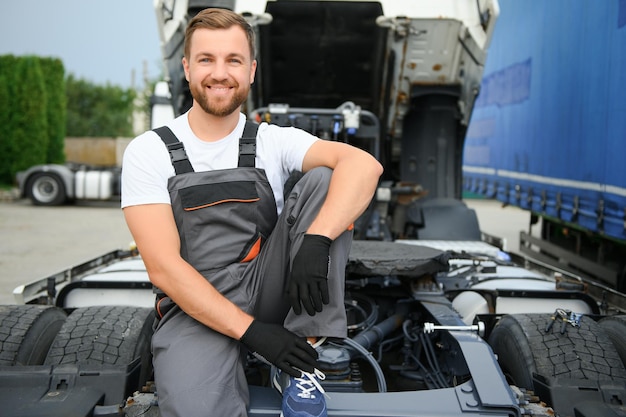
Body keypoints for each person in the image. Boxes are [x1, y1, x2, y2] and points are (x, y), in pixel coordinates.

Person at [121, 7, 382, 417]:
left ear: (252, 70)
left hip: (266, 284)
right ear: (187, 68)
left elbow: (365, 166)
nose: (220, 73)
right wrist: (254, 334)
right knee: (196, 410)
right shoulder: (149, 152)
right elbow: (165, 269)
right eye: (207, 59)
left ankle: (304, 358)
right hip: (194, 304)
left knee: (329, 176)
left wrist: (317, 239)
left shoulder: (274, 141)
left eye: (234, 60)